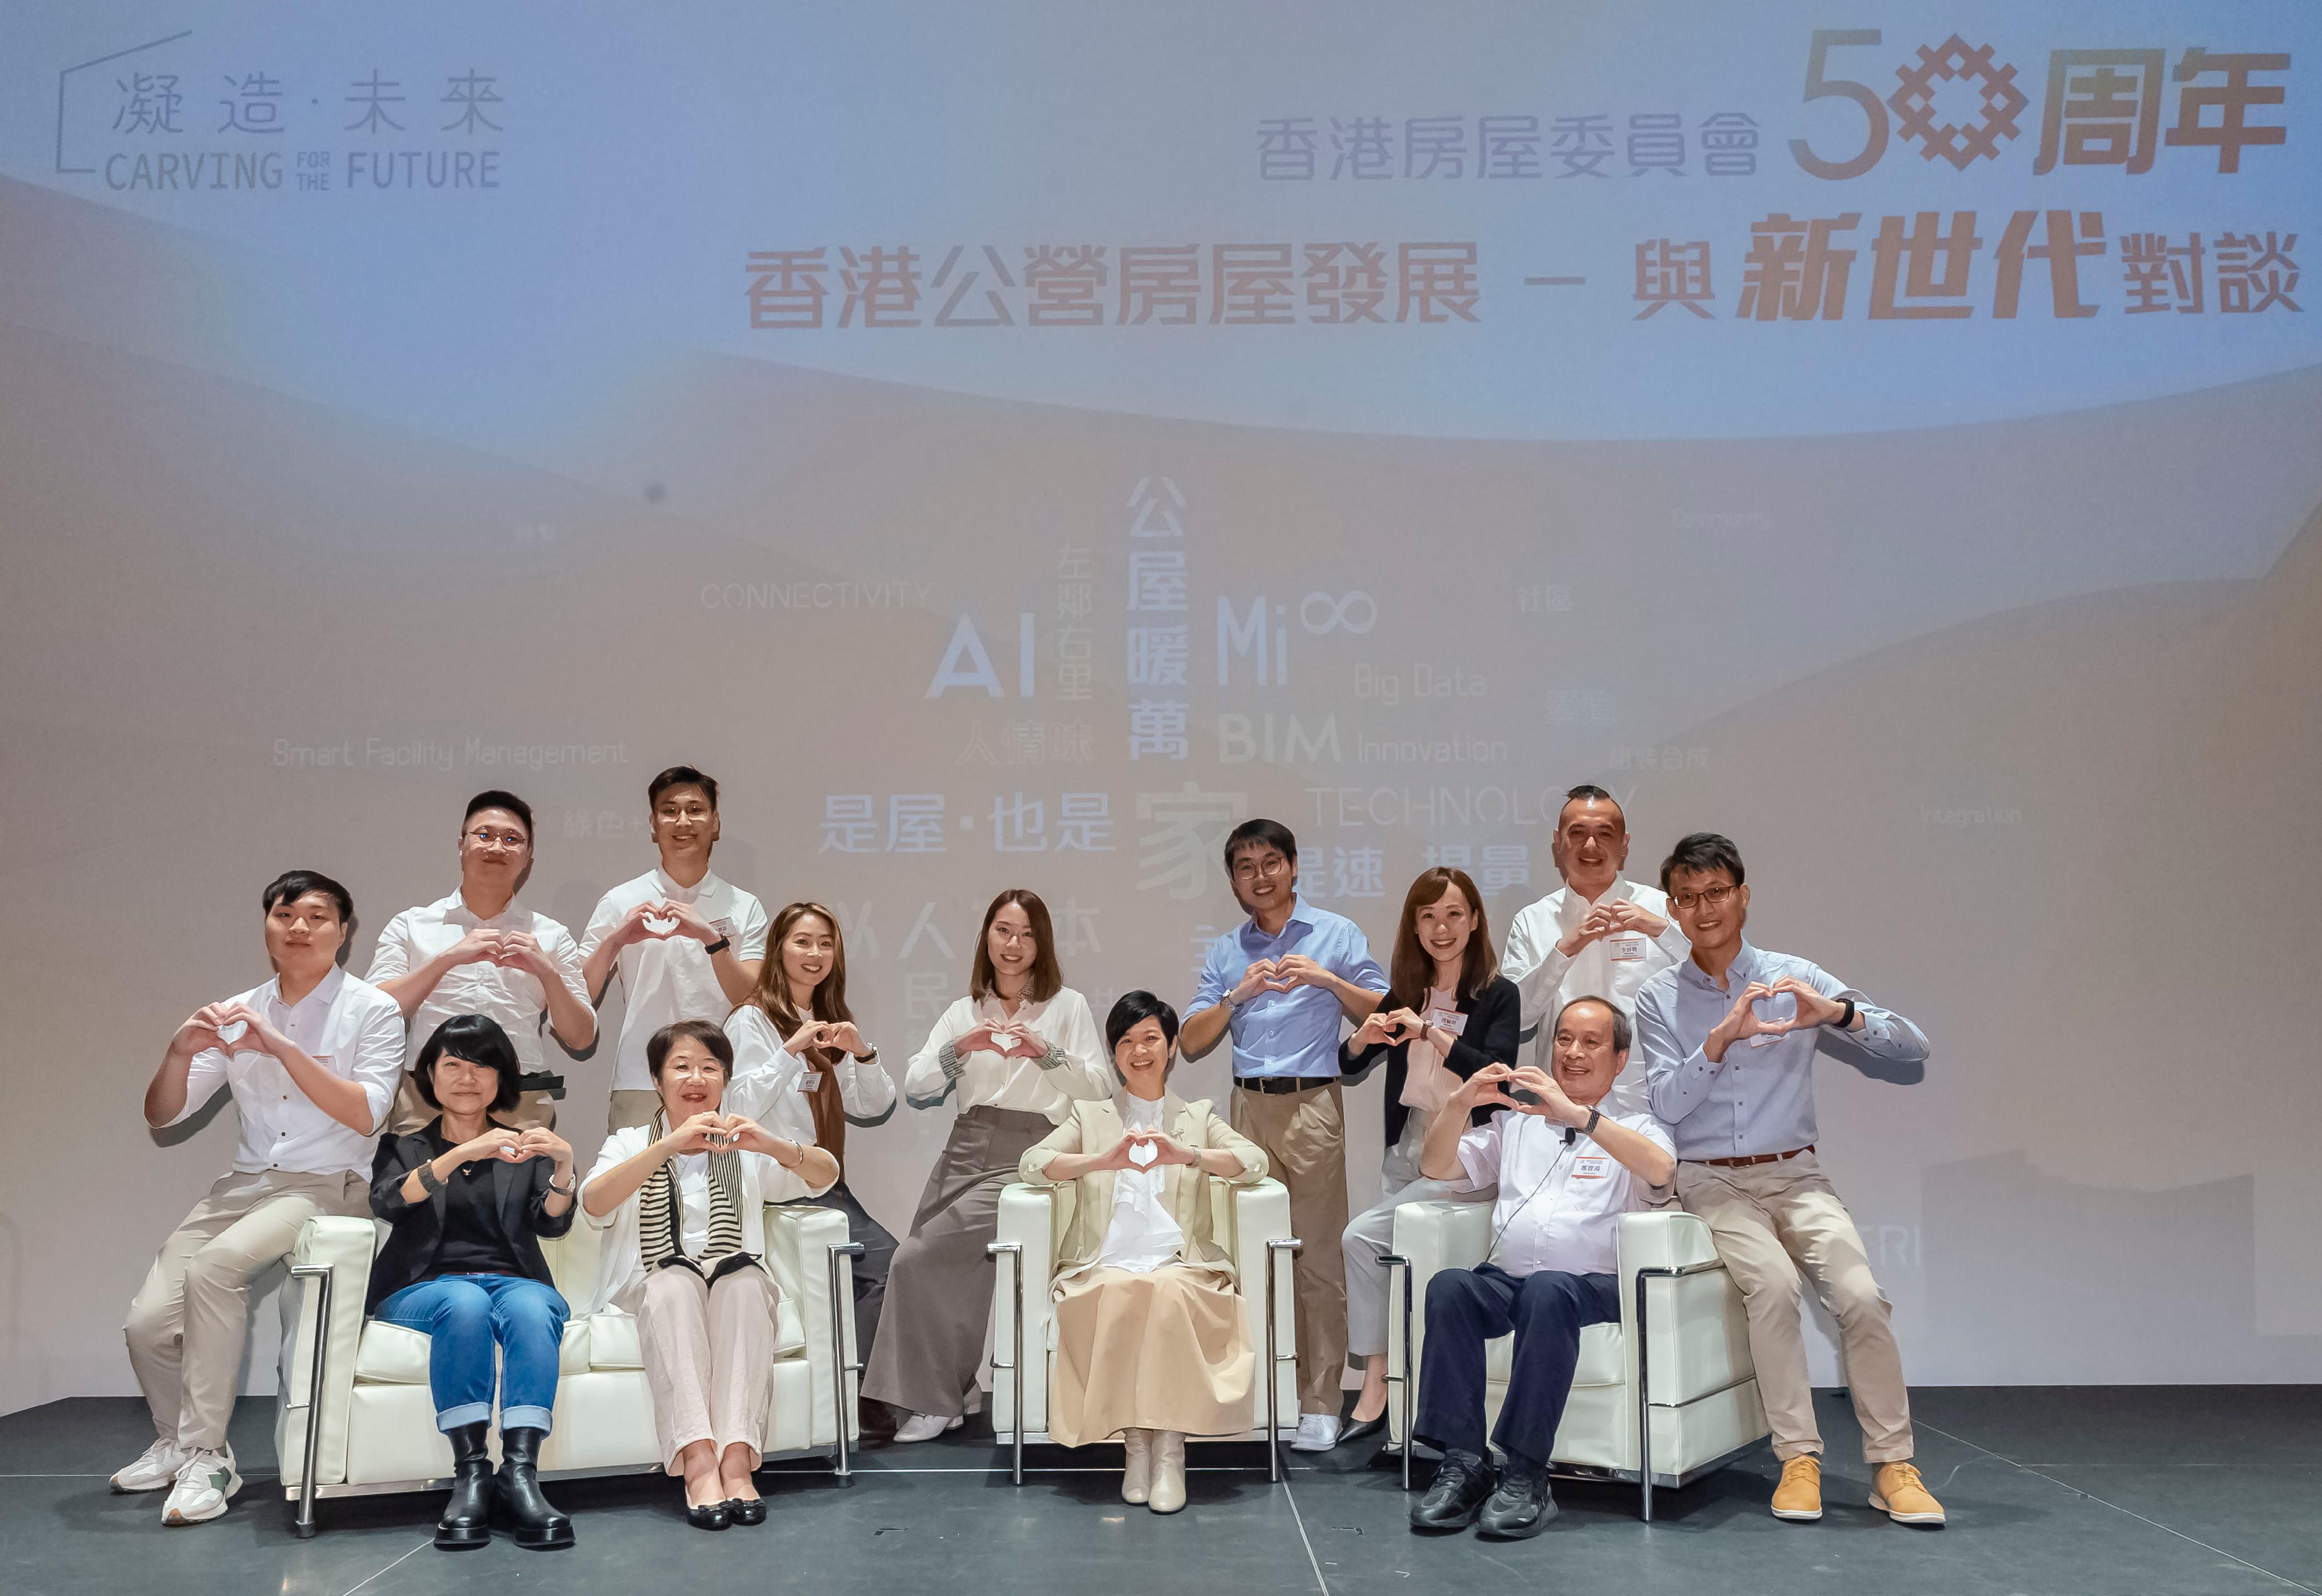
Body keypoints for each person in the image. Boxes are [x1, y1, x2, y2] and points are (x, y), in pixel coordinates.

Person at [1634, 832, 1945, 1528]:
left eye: (1716, 891)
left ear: (1742, 895)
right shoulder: (1656, 997)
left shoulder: (1792, 974)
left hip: (1796, 1173)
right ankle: (1797, 1457)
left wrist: (1835, 1013)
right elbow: (1664, 1105)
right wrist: (1717, 1042)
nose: (1703, 908)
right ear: (1674, 909)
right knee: (1770, 1287)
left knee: (1862, 1296)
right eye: (1687, 897)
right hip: (1711, 1179)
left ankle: (1892, 1465)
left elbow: (1912, 1045)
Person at [119, 871, 403, 1527]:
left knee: (216, 1269)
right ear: (267, 924)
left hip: (327, 1185)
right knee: (147, 1323)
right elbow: (164, 1115)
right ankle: (173, 1440)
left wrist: (278, 1043)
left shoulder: (373, 1009)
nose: (299, 927)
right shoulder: (237, 1007)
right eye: (284, 914)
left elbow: (366, 1113)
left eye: (316, 916)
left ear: (344, 930)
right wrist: (177, 1049)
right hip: (243, 1185)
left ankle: (208, 1456)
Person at [1406, 998, 1675, 1538]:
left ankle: (1527, 1474)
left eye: (1591, 1042)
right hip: (1510, 1283)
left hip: (1592, 1287)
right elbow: (1435, 1165)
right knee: (1450, 1287)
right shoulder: (1516, 1123)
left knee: (1549, 1290)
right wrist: (1460, 1101)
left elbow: (1662, 1170)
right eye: (1564, 1039)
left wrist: (1580, 1116)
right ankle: (1464, 1462)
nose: (1573, 1053)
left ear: (1620, 1059)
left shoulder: (1639, 1123)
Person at [866, 889, 1110, 1443]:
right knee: (937, 1266)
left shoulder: (1067, 1006)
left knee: (916, 1260)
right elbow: (918, 1083)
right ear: (987, 937)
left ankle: (934, 1398)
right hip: (966, 1145)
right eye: (1003, 931)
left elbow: (1099, 1088)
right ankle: (958, 1389)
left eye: (1026, 934)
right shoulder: (963, 1009)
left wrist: (1043, 1053)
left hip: (1031, 1152)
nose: (1014, 944)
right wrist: (964, 1044)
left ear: (1042, 942)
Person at [1018, 992, 1270, 1514]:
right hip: (1104, 1261)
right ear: (1114, 1054)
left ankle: (1169, 1454)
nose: (1139, 1051)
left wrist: (1189, 1154)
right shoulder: (1091, 1116)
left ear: (1173, 1047)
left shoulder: (1196, 1116)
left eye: (1151, 1038)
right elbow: (1032, 1163)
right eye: (1127, 1041)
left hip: (1180, 1262)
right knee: (1121, 1290)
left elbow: (1254, 1162)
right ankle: (1136, 1449)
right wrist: (1101, 1161)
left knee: (1168, 1292)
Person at [580, 1020, 838, 1529]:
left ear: (725, 1079)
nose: (696, 1077)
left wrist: (771, 1145)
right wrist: (666, 1148)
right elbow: (593, 1202)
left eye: (710, 1067)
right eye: (681, 1067)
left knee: (743, 1285)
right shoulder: (631, 1141)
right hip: (652, 1279)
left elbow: (826, 1175)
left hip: (732, 1273)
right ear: (657, 1081)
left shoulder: (742, 1145)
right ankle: (700, 1464)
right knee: (676, 1285)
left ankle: (737, 1463)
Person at [1181, 818, 1387, 1451]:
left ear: (1294, 865)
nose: (1260, 875)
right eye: (1246, 867)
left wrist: (1327, 979)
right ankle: (1264, 1391)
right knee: (1250, 1254)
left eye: (1271, 861)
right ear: (1235, 881)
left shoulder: (1335, 933)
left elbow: (1384, 1011)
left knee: (1318, 1257)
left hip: (1312, 1101)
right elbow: (1190, 1042)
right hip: (1246, 1109)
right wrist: (1237, 995)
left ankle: (1321, 1396)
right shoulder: (1225, 951)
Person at [366, 1014, 579, 1551]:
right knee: (464, 1304)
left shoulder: (521, 1148)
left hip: (511, 1280)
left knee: (536, 1308)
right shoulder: (404, 1146)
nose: (467, 1077)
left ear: (500, 1078)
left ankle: (520, 1474)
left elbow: (551, 1221)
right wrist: (462, 1153)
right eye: (453, 1065)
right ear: (430, 1077)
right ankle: (471, 1473)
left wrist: (563, 1167)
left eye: (482, 1065)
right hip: (425, 1286)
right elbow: (388, 1200)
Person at [1335, 867, 1520, 1445]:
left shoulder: (1498, 993)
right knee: (1397, 1269)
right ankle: (1401, 1405)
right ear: (1413, 926)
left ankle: (1378, 1382)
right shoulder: (1407, 989)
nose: (1441, 928)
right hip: (1407, 1143)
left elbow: (1494, 1075)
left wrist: (1432, 1033)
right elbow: (1348, 1063)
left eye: (1454, 914)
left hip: (1464, 1152)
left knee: (1362, 1238)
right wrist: (1361, 1040)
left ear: (1475, 920)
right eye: (1428, 916)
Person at [724, 901, 899, 1432]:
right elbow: (736, 1103)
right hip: (779, 1182)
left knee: (890, 1266)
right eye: (802, 941)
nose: (815, 953)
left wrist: (861, 1052)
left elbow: (874, 1105)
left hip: (823, 1180)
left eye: (825, 943)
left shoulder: (826, 1023)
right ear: (778, 948)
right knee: (884, 1262)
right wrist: (787, 1052)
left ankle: (859, 1386)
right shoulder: (750, 1018)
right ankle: (857, 1393)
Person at [367, 790, 594, 1132]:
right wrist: (446, 959)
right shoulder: (412, 924)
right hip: (425, 1099)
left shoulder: (551, 935)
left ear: (528, 854)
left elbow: (581, 1038)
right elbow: (375, 1010)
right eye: (484, 836)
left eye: (512, 839)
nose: (497, 847)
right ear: (462, 844)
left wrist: (547, 974)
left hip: (520, 1102)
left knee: (520, 1187)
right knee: (419, 1187)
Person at [581, 765, 769, 1132]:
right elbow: (580, 993)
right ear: (653, 824)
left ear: (715, 822)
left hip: (723, 1079)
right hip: (640, 1079)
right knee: (635, 1188)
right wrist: (616, 940)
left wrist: (711, 939)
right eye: (670, 811)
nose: (683, 820)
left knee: (724, 1188)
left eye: (696, 810)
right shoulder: (621, 900)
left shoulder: (745, 906)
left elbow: (751, 997)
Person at [1500, 785, 1688, 1118]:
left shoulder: (1662, 909)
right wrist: (1565, 949)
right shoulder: (1533, 920)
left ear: (1624, 845)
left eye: (1605, 833)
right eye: (1577, 833)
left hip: (1645, 1105)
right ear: (1558, 842)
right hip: (1561, 1104)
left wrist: (1663, 931)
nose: (1590, 845)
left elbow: (1711, 982)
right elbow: (1516, 1017)